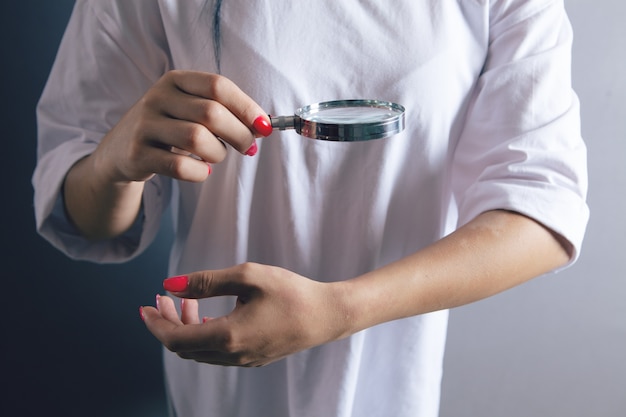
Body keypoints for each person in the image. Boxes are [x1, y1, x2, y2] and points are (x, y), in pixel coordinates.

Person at [33, 1, 589, 416]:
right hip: (213, 395)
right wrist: (114, 162)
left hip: (393, 395)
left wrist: (341, 310)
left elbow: (542, 204)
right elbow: (82, 217)